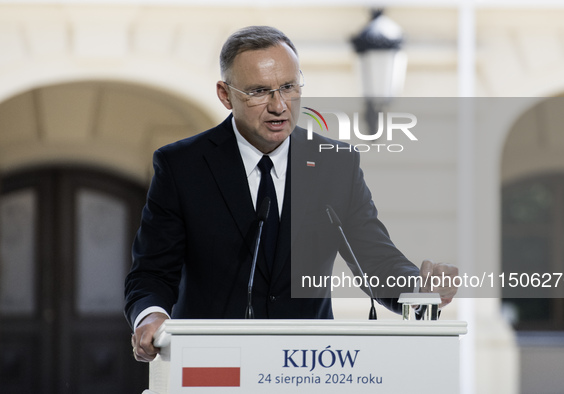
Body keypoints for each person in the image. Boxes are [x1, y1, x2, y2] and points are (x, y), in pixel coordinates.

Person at [125, 26, 459, 362]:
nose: (279, 105)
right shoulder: (182, 166)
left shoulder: (335, 164)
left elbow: (375, 260)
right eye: (259, 91)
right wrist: (152, 316)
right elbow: (152, 272)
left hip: (308, 365)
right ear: (226, 95)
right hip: (214, 364)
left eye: (288, 87)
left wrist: (419, 290)